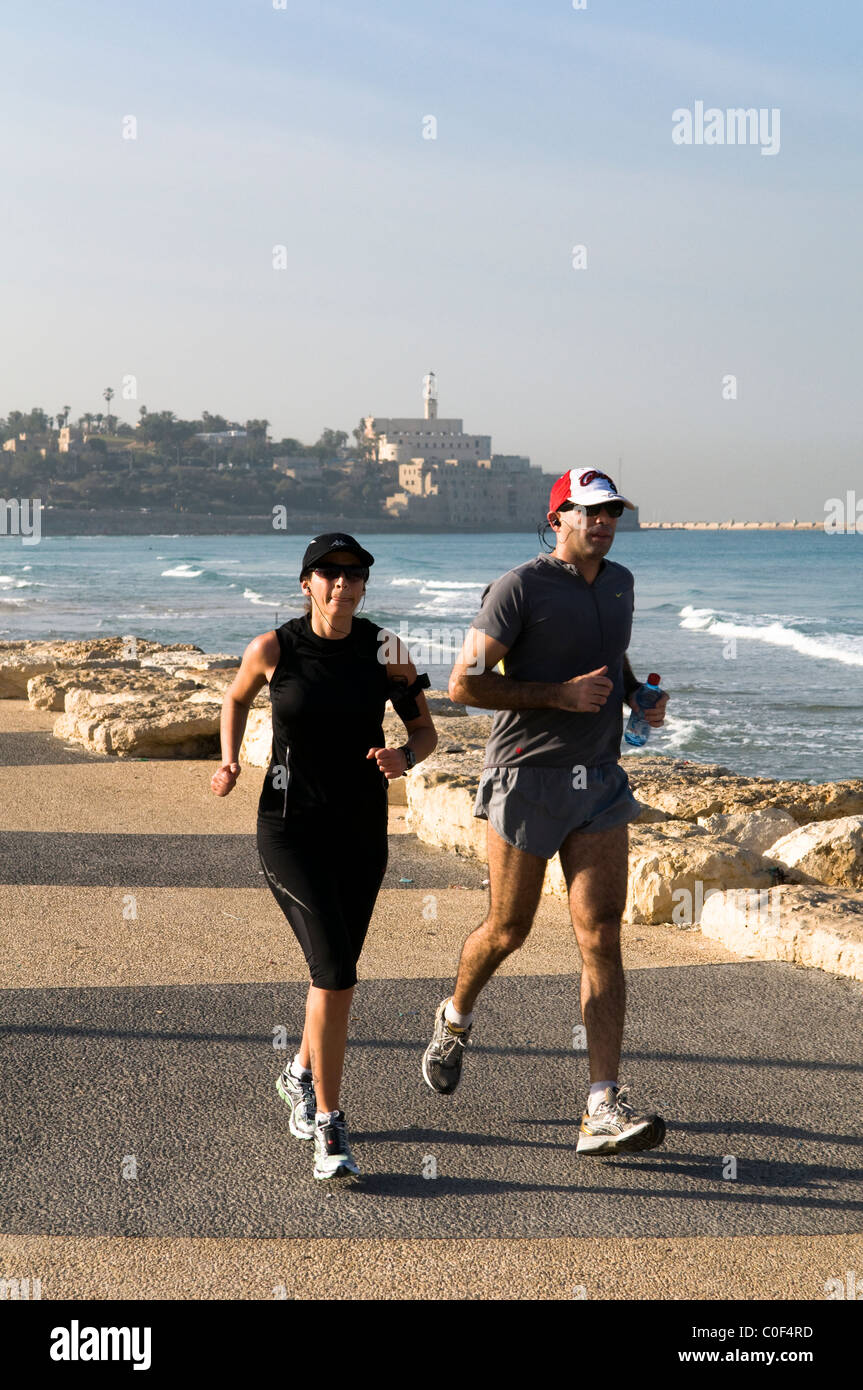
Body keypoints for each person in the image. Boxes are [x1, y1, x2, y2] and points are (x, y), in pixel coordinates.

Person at [421, 469, 670, 1154]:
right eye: (587, 511)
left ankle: (600, 1107)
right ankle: (455, 1016)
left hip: (599, 785)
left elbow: (610, 658)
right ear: (557, 516)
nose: (602, 521)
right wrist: (556, 697)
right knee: (508, 930)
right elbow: (463, 685)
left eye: (610, 511)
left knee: (600, 936)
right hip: (525, 778)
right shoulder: (518, 588)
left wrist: (635, 699)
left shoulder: (618, 583)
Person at [211, 533, 436, 1179]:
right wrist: (228, 760)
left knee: (334, 972)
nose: (342, 583)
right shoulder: (274, 647)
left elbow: (425, 729)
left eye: (354, 573)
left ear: (364, 584)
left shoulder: (386, 649)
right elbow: (234, 697)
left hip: (361, 829)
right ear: (306, 582)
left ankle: (298, 1073)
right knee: (335, 972)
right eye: (328, 573)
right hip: (289, 828)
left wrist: (406, 757)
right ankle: (330, 1127)